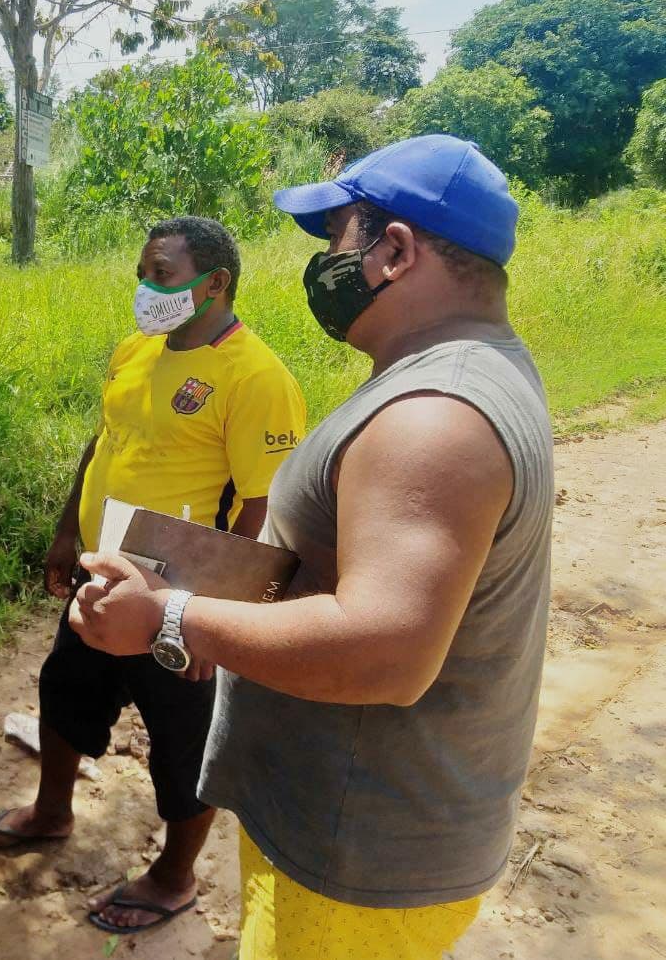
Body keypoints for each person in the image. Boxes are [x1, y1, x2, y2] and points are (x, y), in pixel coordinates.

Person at [69, 135, 553, 959]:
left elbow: (387, 652)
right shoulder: (464, 373)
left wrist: (170, 618)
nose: (324, 263)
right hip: (350, 819)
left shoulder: (434, 415)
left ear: (393, 249)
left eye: (336, 238)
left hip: (357, 849)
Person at [0, 217, 306, 936]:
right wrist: (68, 531)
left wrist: (209, 620)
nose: (145, 288)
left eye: (161, 273)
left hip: (180, 598)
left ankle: (174, 877)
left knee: (183, 739)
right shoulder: (137, 348)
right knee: (65, 692)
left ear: (215, 283)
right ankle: (52, 812)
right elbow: (104, 441)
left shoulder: (255, 377)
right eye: (141, 273)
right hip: (103, 574)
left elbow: (260, 507)